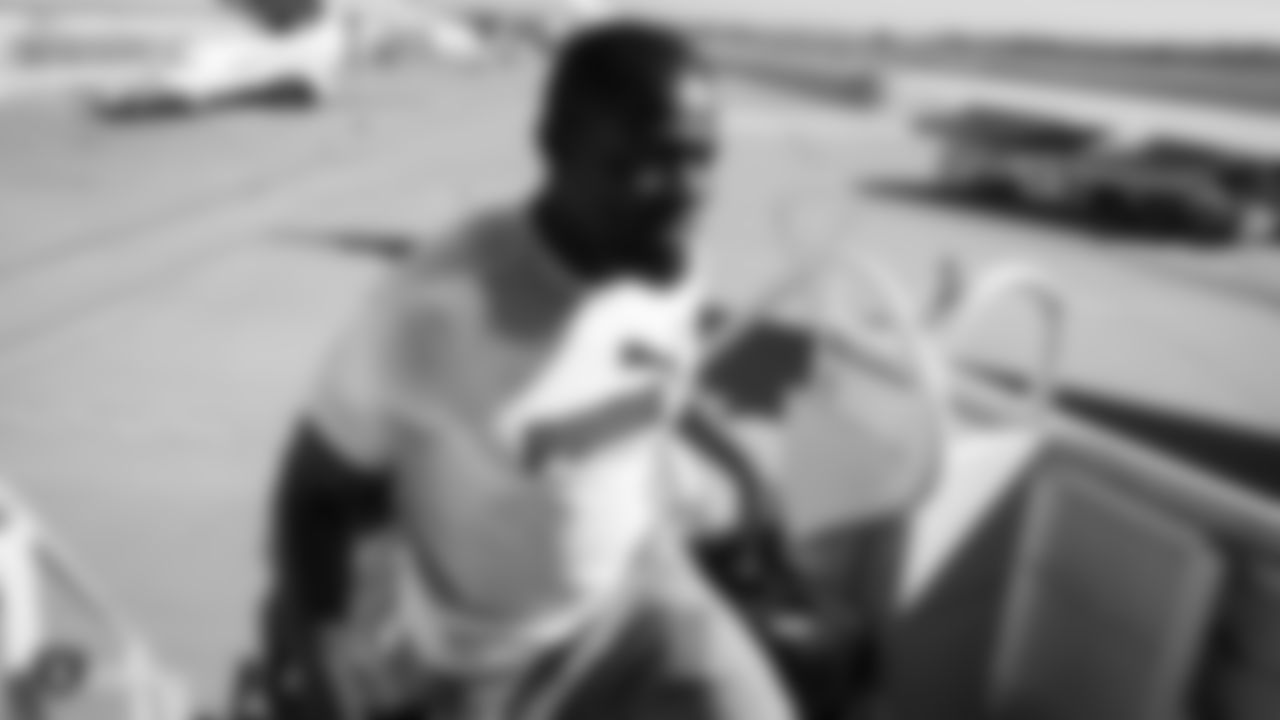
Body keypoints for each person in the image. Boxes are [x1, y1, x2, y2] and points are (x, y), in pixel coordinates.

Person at [262, 19, 807, 720]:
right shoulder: (440, 312)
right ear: (554, 147)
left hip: (638, 591)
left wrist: (747, 470)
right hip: (483, 659)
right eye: (646, 162)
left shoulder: (666, 258)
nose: (687, 193)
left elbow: (657, 382)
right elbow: (312, 495)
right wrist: (327, 662)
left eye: (701, 159)